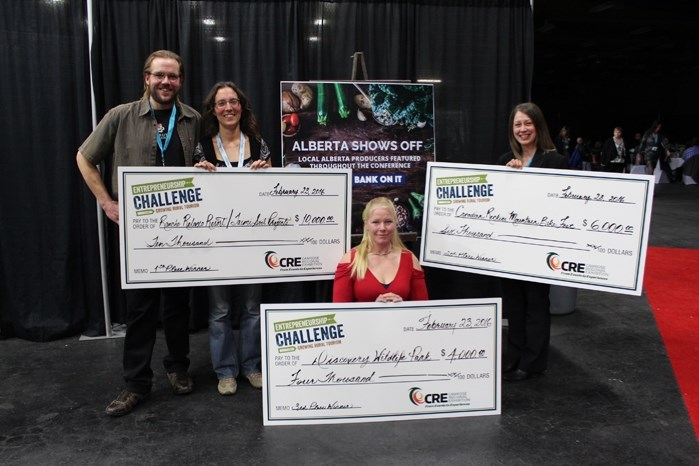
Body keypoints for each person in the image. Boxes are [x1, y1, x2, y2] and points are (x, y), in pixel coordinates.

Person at [76, 50, 201, 416]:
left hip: (183, 228)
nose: (167, 82)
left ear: (180, 81)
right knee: (141, 309)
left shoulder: (192, 118)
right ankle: (136, 384)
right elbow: (84, 156)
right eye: (160, 75)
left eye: (173, 77)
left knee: (179, 306)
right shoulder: (120, 115)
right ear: (146, 78)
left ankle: (178, 368)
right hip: (138, 232)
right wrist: (106, 202)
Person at [194, 81, 271, 395]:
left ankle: (251, 366)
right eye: (222, 103)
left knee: (252, 308)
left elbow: (272, 191)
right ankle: (225, 371)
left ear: (242, 106)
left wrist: (268, 171)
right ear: (214, 109)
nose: (228, 107)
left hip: (253, 238)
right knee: (220, 310)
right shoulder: (203, 145)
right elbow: (193, 194)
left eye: (234, 102)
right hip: (216, 241)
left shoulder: (257, 142)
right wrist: (199, 173)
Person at [497, 102, 567, 382]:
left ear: (538, 126)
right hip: (510, 246)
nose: (522, 129)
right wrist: (507, 178)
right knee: (513, 303)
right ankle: (514, 355)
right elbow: (495, 204)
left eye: (527, 123)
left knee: (536, 303)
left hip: (540, 246)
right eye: (517, 124)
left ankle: (534, 361)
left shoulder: (555, 161)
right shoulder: (504, 160)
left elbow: (561, 205)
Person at [333, 197, 428, 303]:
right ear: (366, 224)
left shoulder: (410, 259)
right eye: (376, 222)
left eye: (388, 222)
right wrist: (374, 309)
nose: (382, 228)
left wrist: (403, 307)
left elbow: (422, 311)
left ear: (395, 223)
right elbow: (340, 314)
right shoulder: (350, 260)